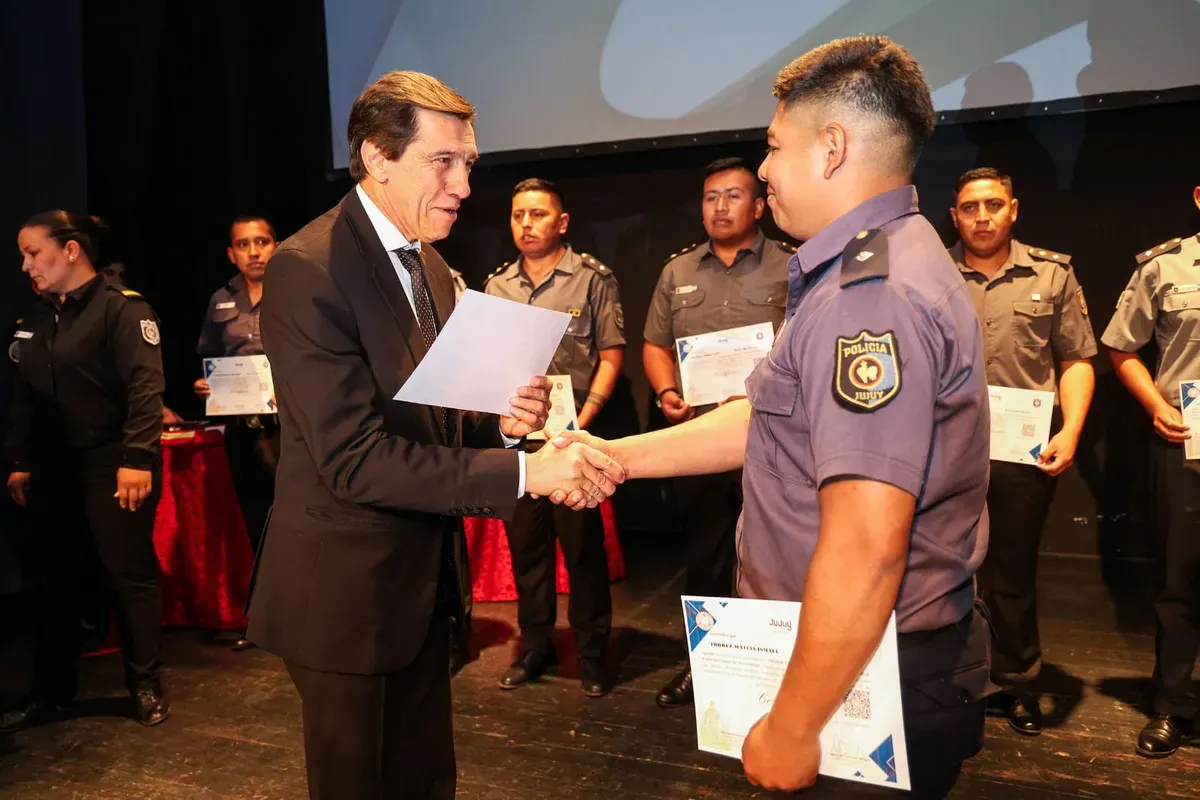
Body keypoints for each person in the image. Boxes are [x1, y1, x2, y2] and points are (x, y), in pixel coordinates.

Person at [551, 36, 992, 797]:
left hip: (863, 678)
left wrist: (793, 728)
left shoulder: (871, 297)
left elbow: (865, 549)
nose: (761, 170)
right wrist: (617, 457)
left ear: (831, 149)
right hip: (856, 656)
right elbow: (767, 417)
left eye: (773, 146)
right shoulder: (865, 262)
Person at [245, 71, 624, 799]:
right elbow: (353, 461)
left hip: (422, 595)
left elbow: (442, 417)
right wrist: (525, 475)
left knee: (425, 783)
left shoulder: (434, 267)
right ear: (378, 158)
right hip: (346, 609)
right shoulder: (308, 268)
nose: (462, 185)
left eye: (469, 165)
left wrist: (506, 426)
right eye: (441, 163)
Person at [2, 211, 169, 731]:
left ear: (71, 250)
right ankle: (49, 692)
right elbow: (24, 399)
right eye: (22, 256)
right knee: (50, 580)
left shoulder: (121, 309)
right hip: (55, 470)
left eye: (34, 252)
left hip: (111, 463)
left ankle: (145, 683)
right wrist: (20, 462)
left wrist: (137, 458)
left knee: (127, 574)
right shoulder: (34, 319)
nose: (26, 264)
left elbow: (146, 387)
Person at [948, 167, 1096, 736]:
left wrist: (1072, 429)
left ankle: (1012, 681)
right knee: (940, 569)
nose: (981, 217)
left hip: (1021, 452)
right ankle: (949, 675)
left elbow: (1076, 359)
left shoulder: (1052, 275)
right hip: (942, 450)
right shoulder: (929, 275)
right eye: (968, 207)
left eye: (992, 205)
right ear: (954, 216)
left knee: (1010, 571)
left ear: (1013, 208)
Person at [642, 156, 792, 710]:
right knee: (705, 555)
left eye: (732, 196)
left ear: (758, 205)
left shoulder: (791, 265)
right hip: (699, 440)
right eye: (710, 198)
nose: (720, 207)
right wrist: (665, 394)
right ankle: (705, 665)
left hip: (774, 441)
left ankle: (778, 669)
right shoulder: (676, 272)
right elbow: (656, 345)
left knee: (773, 555)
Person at [484, 178, 626, 697]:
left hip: (576, 439)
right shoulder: (497, 286)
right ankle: (536, 647)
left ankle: (592, 653)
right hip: (520, 441)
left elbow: (611, 355)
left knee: (583, 550)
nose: (527, 224)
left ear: (561, 222)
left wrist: (587, 419)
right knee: (528, 550)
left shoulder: (591, 278)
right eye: (518, 214)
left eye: (538, 214)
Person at [1102, 184, 1200, 759]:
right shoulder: (1165, 267)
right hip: (1186, 442)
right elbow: (1121, 347)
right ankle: (1174, 704)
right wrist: (1157, 406)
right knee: (1181, 581)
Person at [194, 216, 282, 650]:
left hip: (289, 429)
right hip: (241, 429)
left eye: (261, 241)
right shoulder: (220, 299)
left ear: (275, 245)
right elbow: (209, 356)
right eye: (244, 244)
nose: (253, 251)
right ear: (231, 253)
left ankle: (304, 615)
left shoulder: (295, 290)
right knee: (255, 520)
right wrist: (205, 385)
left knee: (292, 518)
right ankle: (268, 620)